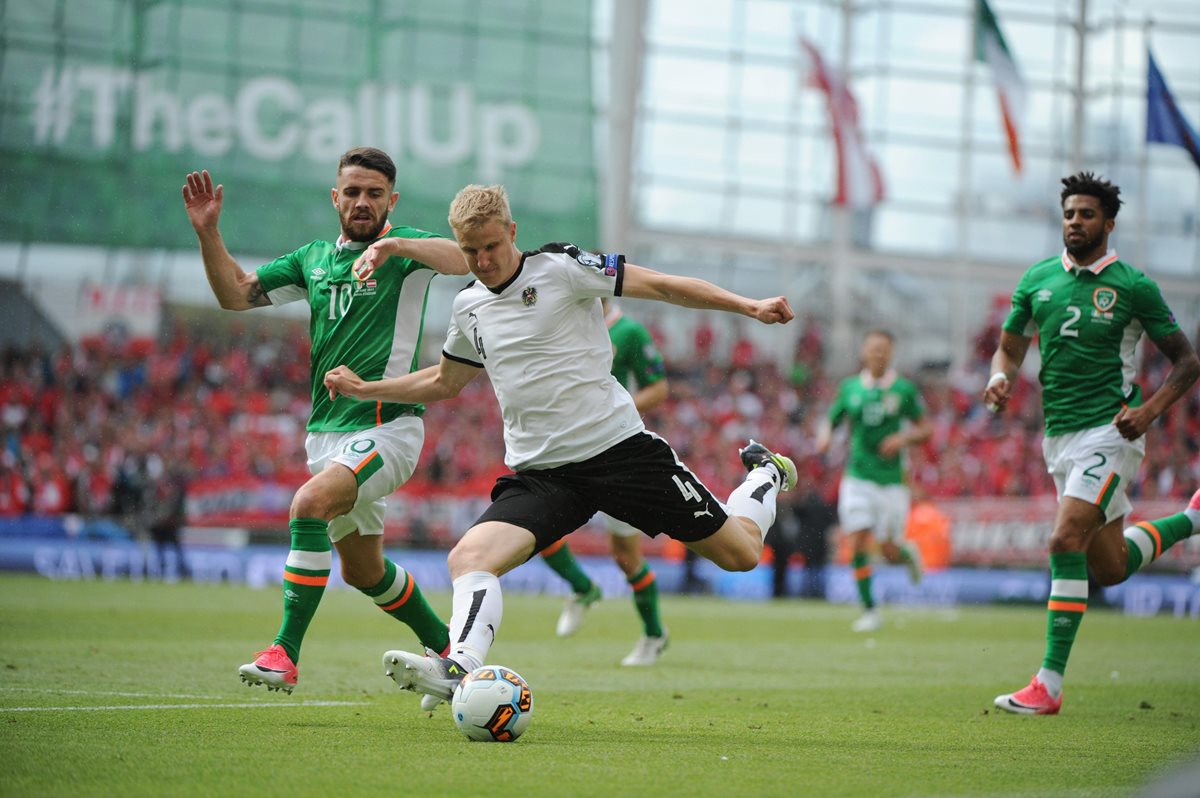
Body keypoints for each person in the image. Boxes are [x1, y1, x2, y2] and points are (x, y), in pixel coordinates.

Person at [323, 183, 798, 709]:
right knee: (470, 557)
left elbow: (660, 286)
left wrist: (748, 306)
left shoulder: (563, 267)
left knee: (741, 554)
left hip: (619, 451)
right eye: (470, 251)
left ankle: (763, 475)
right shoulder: (468, 307)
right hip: (544, 474)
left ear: (512, 232)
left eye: (491, 247)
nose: (481, 260)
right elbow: (445, 382)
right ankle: (461, 665)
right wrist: (370, 390)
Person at [181, 147, 470, 693]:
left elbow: (463, 259)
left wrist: (396, 244)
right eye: (354, 192)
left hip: (389, 427)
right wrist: (208, 233)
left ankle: (283, 654)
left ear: (392, 200)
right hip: (326, 435)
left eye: (375, 194)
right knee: (363, 571)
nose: (363, 202)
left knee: (308, 505)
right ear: (335, 197)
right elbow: (236, 295)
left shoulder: (404, 252)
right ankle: (454, 654)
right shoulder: (312, 259)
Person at [985, 172, 1200, 715]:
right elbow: (1009, 349)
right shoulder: (1037, 280)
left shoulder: (1133, 285)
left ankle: (1048, 686)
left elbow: (1188, 361)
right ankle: (1193, 519)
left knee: (1063, 541)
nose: (1074, 222)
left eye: (1085, 214)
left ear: (1108, 222)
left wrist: (1148, 412)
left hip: (1111, 431)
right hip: (1058, 437)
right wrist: (999, 376)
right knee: (1108, 566)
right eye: (1068, 214)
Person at [540, 298, 672, 666]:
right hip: (566, 444)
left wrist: (617, 404)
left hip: (616, 449)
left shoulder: (628, 331)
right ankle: (583, 588)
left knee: (625, 555)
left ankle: (654, 635)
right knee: (537, 527)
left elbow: (659, 387)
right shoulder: (565, 322)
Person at [816, 329, 932, 632]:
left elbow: (926, 429)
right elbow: (832, 418)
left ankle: (907, 554)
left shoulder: (904, 390)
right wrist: (826, 435)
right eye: (873, 349)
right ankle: (870, 610)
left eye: (883, 349)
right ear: (864, 353)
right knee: (857, 541)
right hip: (858, 476)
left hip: (892, 480)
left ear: (891, 354)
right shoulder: (850, 387)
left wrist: (902, 438)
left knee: (889, 551)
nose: (878, 354)